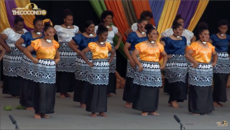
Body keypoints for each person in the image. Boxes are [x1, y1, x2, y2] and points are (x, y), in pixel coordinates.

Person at [24, 23, 60, 119]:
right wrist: (33, 59)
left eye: (53, 32)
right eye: (50, 32)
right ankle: (38, 111)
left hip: (50, 70)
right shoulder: (38, 42)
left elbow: (58, 57)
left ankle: (44, 111)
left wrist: (55, 61)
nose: (52, 34)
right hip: (40, 69)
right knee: (40, 90)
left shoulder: (55, 43)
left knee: (49, 91)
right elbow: (26, 50)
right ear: (45, 32)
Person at [131, 24, 167, 116]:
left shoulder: (159, 45)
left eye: (156, 34)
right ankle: (144, 109)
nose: (155, 36)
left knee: (154, 90)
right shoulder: (142, 45)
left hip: (155, 69)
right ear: (148, 35)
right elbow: (134, 55)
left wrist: (163, 65)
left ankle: (152, 109)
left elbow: (165, 55)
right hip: (145, 68)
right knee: (144, 89)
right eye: (153, 34)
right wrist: (139, 64)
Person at [80, 24, 115, 117]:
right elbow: (82, 52)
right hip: (95, 68)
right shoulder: (93, 45)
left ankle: (101, 110)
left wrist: (109, 61)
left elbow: (113, 52)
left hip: (104, 68)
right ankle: (93, 111)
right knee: (95, 89)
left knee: (103, 89)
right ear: (99, 36)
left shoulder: (107, 45)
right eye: (104, 35)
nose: (105, 37)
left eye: (107, 35)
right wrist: (89, 62)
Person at [185, 22, 217, 115]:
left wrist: (214, 62)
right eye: (205, 34)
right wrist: (194, 62)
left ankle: (205, 109)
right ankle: (195, 109)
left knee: (206, 89)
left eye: (208, 34)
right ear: (200, 35)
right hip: (197, 69)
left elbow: (215, 54)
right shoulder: (195, 45)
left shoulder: (210, 45)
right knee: (196, 89)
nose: (207, 36)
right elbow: (187, 54)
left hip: (207, 69)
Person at [15, 18, 44, 111]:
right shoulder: (28, 35)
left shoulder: (44, 35)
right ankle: (27, 103)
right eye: (38, 25)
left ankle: (36, 102)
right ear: (34, 25)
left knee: (37, 82)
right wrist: (26, 52)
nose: (40, 27)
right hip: (29, 61)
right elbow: (17, 43)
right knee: (28, 83)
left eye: (41, 25)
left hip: (40, 61)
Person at [69, 20, 98, 108]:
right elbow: (71, 43)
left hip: (93, 60)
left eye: (93, 27)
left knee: (92, 81)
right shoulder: (80, 36)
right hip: (82, 61)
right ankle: (82, 101)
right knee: (83, 81)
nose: (92, 29)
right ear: (86, 28)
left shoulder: (97, 37)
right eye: (90, 27)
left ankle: (90, 99)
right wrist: (78, 51)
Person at [95, 10, 123, 96]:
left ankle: (108, 90)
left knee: (111, 69)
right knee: (101, 67)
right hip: (101, 48)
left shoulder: (114, 28)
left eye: (111, 18)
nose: (110, 20)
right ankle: (100, 88)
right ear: (104, 19)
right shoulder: (98, 28)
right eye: (108, 18)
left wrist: (118, 45)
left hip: (111, 49)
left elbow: (120, 36)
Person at [161, 22, 188, 108]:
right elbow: (160, 47)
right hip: (172, 62)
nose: (181, 31)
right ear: (174, 30)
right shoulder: (167, 39)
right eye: (179, 29)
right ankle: (173, 99)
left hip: (182, 62)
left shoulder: (183, 39)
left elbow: (186, 49)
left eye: (181, 29)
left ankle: (174, 99)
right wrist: (165, 54)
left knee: (181, 81)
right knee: (174, 81)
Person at [54, 9, 80, 98]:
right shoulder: (58, 28)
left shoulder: (75, 28)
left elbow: (81, 37)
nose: (70, 21)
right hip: (62, 52)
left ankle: (66, 91)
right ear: (64, 19)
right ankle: (61, 91)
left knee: (70, 73)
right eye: (68, 19)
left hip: (72, 54)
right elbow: (49, 34)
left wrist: (77, 45)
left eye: (71, 20)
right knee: (62, 72)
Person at [123, 18, 148, 108]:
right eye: (143, 24)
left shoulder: (147, 35)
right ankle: (128, 100)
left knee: (141, 79)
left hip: (144, 59)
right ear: (138, 24)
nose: (144, 26)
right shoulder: (132, 35)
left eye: (146, 24)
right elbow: (125, 48)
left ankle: (139, 99)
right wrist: (131, 59)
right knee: (131, 79)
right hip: (133, 57)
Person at [0, 16, 27, 98]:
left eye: (22, 25)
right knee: (12, 74)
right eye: (18, 25)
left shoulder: (25, 32)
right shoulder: (9, 31)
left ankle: (19, 91)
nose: (20, 27)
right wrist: (6, 47)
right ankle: (13, 92)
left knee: (20, 74)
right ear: (14, 24)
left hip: (22, 56)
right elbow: (0, 38)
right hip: (11, 57)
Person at [210, 19, 230, 107]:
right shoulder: (214, 37)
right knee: (217, 79)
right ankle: (214, 99)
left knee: (223, 80)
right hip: (217, 59)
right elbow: (208, 45)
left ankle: (219, 99)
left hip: (225, 60)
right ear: (219, 28)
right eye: (222, 28)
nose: (223, 30)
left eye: (225, 29)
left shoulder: (228, 37)